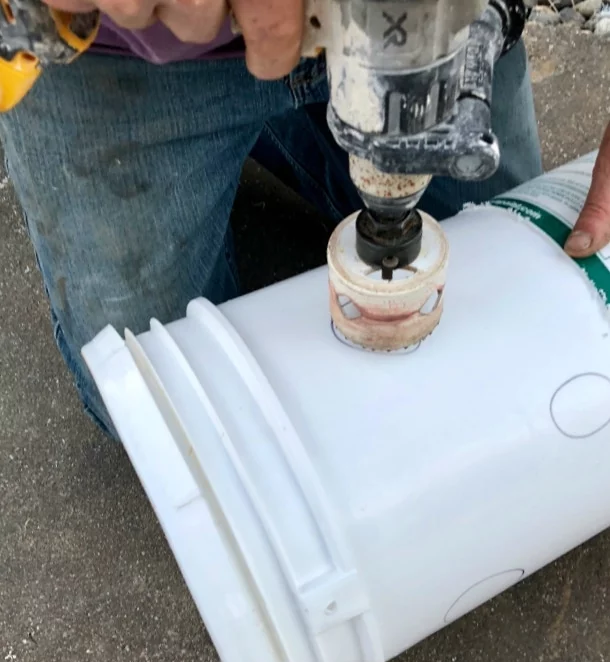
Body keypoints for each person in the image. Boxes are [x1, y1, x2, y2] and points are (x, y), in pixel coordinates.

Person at [0, 0, 607, 439]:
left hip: (437, 25)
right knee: (159, 417)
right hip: (134, 53)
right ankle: (238, 128)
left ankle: (280, 124)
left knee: (522, 287)